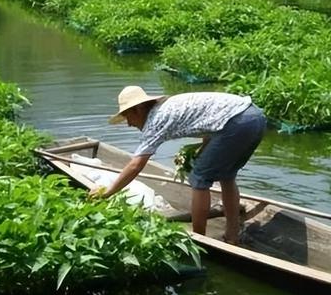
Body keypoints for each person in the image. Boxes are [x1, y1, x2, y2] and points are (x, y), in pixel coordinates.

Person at [89, 86, 266, 245]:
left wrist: (108, 192)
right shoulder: (168, 107)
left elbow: (136, 165)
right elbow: (210, 123)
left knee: (199, 177)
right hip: (255, 118)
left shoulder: (155, 120)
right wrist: (203, 150)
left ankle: (199, 241)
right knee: (227, 176)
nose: (128, 123)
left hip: (237, 123)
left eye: (128, 117)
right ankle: (232, 236)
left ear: (139, 109)